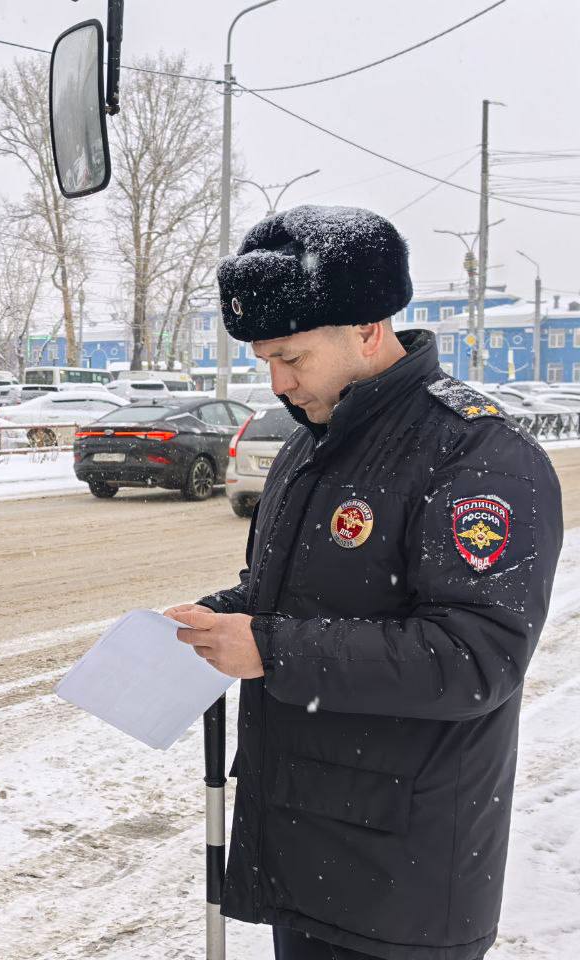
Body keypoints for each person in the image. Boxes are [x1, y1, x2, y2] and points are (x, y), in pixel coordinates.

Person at [166, 205, 562, 960]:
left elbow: (475, 658)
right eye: (265, 361)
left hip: (403, 883)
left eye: (293, 358)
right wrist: (215, 621)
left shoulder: (475, 455)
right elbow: (285, 597)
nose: (278, 383)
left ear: (368, 331)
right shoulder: (311, 449)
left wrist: (272, 650)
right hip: (310, 851)